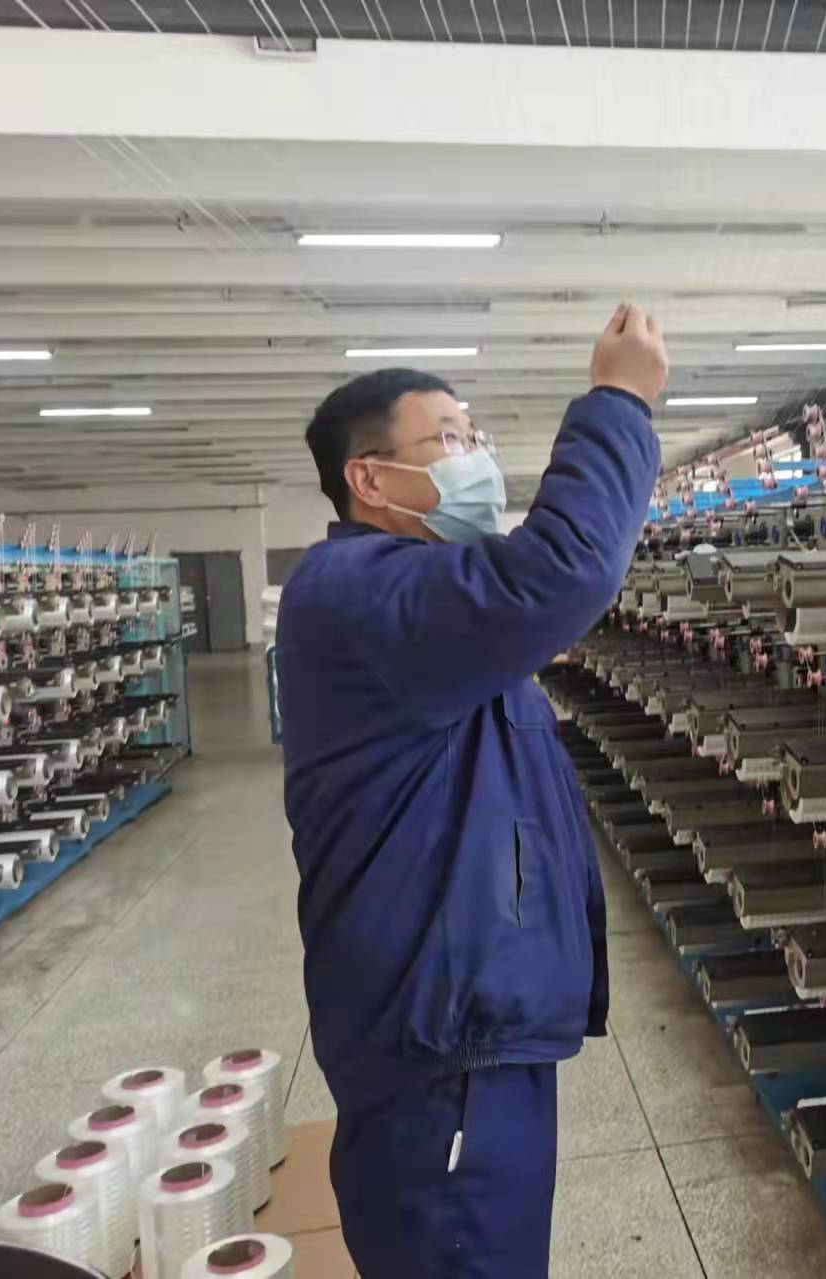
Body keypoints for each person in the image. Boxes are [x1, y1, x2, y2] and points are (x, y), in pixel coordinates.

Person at [276, 304, 668, 1277]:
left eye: (474, 437)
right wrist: (618, 400)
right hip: (440, 1047)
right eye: (447, 440)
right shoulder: (358, 590)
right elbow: (558, 573)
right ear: (369, 477)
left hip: (464, 1030)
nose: (474, 458)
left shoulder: (412, 597)